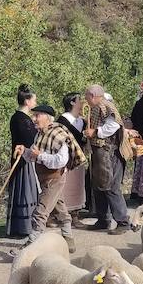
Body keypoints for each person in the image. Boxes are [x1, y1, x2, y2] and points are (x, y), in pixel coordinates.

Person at [24, 104, 86, 253]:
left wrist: (40, 155)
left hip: (55, 178)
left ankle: (30, 246)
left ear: (47, 118)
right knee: (60, 208)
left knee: (41, 211)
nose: (34, 119)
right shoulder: (39, 135)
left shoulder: (58, 135)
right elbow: (33, 155)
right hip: (44, 178)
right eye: (34, 115)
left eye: (37, 115)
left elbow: (60, 161)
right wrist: (24, 151)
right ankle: (68, 238)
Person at [84, 84, 133, 232]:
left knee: (111, 186)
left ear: (93, 96)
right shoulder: (96, 106)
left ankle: (123, 222)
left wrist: (95, 132)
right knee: (99, 185)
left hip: (109, 153)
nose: (85, 99)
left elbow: (113, 126)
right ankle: (103, 220)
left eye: (86, 96)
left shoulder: (105, 106)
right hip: (100, 152)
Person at [4, 86, 40, 239]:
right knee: (24, 190)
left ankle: (27, 225)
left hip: (25, 156)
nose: (35, 102)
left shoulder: (23, 118)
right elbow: (29, 139)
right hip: (22, 158)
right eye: (34, 100)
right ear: (27, 101)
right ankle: (23, 227)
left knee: (27, 190)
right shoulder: (20, 119)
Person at [58, 94, 89, 222]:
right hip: (67, 158)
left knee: (78, 185)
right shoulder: (62, 120)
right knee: (66, 186)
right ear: (72, 102)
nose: (82, 102)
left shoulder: (82, 121)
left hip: (79, 157)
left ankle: (75, 214)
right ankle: (62, 215)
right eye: (79, 100)